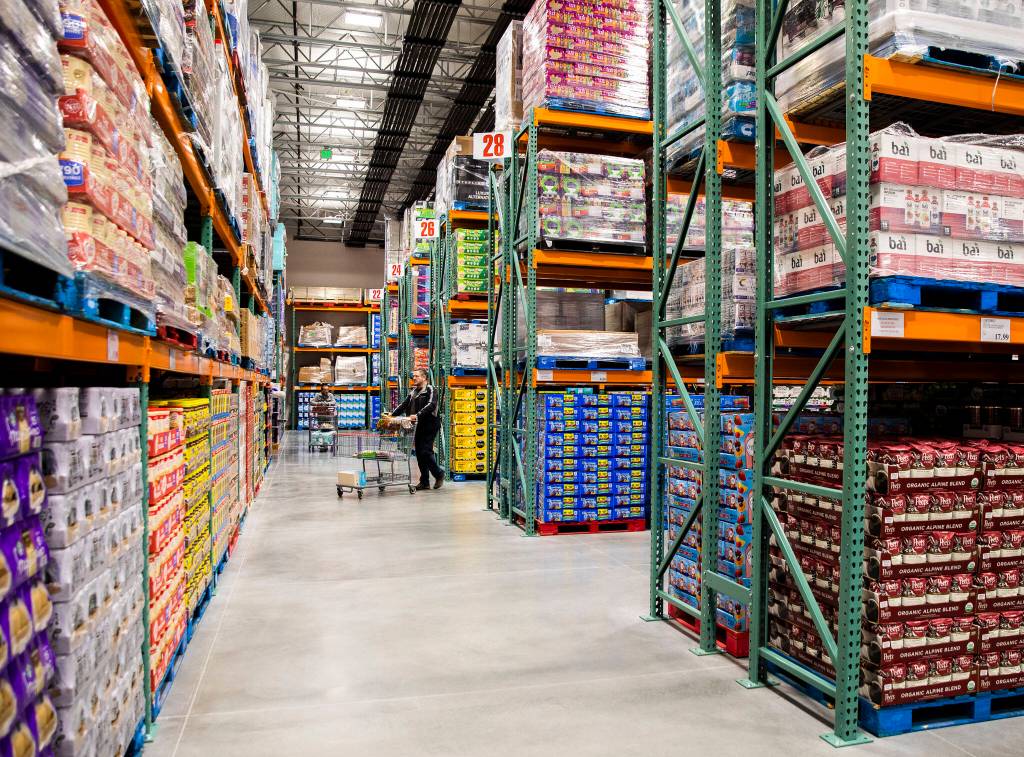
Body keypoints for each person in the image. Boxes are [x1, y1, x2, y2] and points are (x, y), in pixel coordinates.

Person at [391, 369, 444, 490]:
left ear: (424, 377)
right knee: (419, 453)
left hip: (430, 424)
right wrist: (391, 415)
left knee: (425, 451)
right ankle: (424, 482)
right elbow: (403, 405)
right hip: (418, 425)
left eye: (417, 376)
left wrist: (417, 415)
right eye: (413, 376)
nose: (414, 378)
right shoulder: (413, 392)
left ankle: (439, 474)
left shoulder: (431, 389)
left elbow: (431, 405)